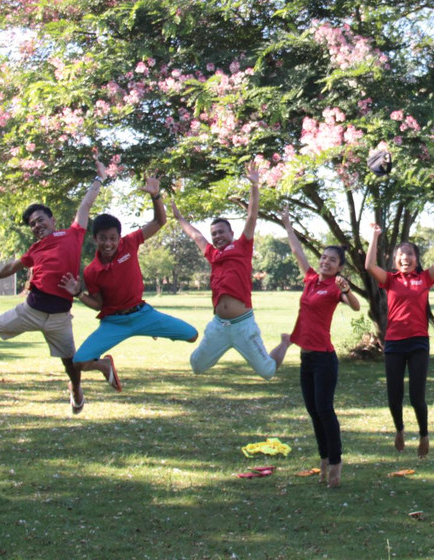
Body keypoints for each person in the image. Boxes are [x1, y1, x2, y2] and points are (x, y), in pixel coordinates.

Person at [0, 158, 117, 414]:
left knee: (71, 364)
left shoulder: (73, 233)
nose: (36, 225)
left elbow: (86, 204)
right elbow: (13, 267)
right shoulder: (34, 249)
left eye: (39, 220)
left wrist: (99, 178)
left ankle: (76, 390)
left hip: (59, 318)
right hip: (30, 311)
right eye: (32, 224)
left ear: (52, 220)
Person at [60, 172, 198, 382]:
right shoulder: (92, 271)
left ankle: (153, 329)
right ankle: (105, 365)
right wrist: (79, 293)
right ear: (95, 238)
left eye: (113, 238)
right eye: (103, 238)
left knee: (192, 335)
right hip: (114, 322)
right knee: (80, 362)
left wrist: (155, 195)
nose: (108, 243)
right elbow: (98, 304)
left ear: (119, 237)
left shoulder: (130, 243)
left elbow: (160, 221)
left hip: (143, 315)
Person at [173, 162, 290, 379]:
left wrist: (254, 186)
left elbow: (252, 217)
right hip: (219, 326)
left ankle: (284, 343)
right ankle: (223, 345)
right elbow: (197, 236)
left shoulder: (242, 246)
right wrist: (180, 219)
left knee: (267, 371)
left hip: (243, 325)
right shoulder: (213, 254)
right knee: (196, 366)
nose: (217, 236)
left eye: (221, 232)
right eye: (214, 233)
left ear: (231, 232)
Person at [365, 199, 434, 458]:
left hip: (418, 343)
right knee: (394, 396)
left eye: (409, 254)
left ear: (416, 259)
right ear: (395, 260)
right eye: (400, 255)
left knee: (417, 397)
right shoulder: (390, 280)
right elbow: (369, 266)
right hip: (394, 344)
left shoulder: (424, 278)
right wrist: (374, 237)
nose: (405, 258)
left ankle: (423, 434)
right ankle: (399, 429)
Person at [273, 209, 361, 488]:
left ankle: (336, 462)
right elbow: (298, 252)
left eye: (332, 260)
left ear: (339, 267)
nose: (325, 262)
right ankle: (324, 457)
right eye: (323, 257)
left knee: (325, 409)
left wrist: (346, 290)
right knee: (313, 410)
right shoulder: (311, 278)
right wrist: (288, 224)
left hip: (324, 358)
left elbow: (357, 307)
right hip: (306, 356)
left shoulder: (336, 286)